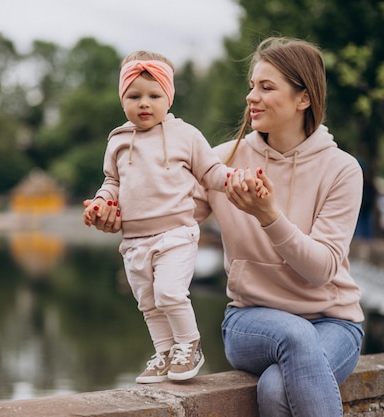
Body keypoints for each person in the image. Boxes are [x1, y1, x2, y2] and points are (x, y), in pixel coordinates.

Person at [86, 37, 364, 416]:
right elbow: (171, 216)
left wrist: (269, 216)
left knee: (274, 388)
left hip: (333, 322)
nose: (252, 96)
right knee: (294, 336)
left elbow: (322, 271)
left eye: (266, 87)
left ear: (304, 98)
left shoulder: (342, 169)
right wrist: (116, 216)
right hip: (251, 320)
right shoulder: (222, 163)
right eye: (252, 86)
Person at [83, 50, 266, 384]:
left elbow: (211, 172)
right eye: (134, 96)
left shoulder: (186, 135)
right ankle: (164, 352)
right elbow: (112, 182)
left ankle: (189, 344)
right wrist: (100, 202)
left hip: (176, 233)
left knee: (169, 293)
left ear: (169, 98)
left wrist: (236, 179)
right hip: (134, 240)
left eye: (155, 96)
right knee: (149, 303)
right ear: (122, 99)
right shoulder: (118, 141)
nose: (145, 103)